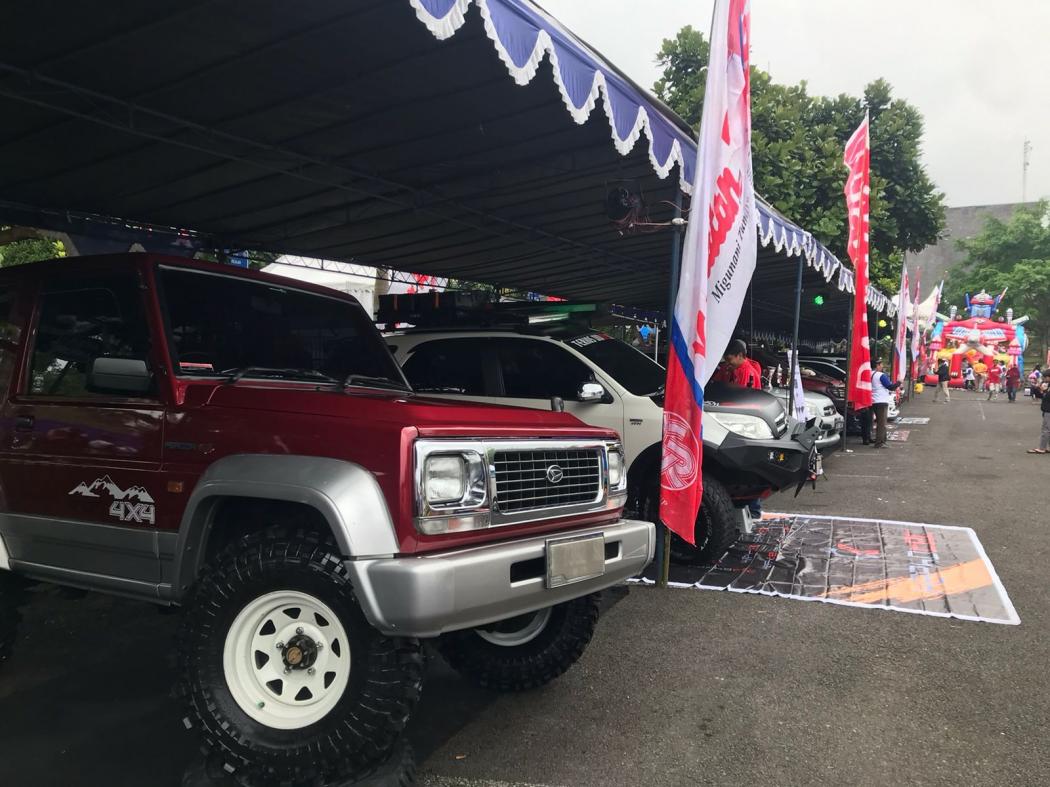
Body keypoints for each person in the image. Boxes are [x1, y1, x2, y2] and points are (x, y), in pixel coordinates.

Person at [870, 358, 902, 448]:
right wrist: (899, 382)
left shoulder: (869, 373)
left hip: (872, 400)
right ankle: (879, 442)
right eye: (881, 364)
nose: (882, 366)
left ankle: (882, 441)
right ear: (877, 366)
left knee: (877, 422)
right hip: (881, 401)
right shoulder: (881, 375)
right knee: (882, 423)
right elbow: (890, 387)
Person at [1028, 378, 1050, 454]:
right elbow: (1042, 396)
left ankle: (1042, 448)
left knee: (1046, 429)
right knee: (1047, 429)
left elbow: (1046, 396)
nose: (1045, 379)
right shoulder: (1048, 385)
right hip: (1046, 409)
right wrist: (1037, 389)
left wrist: (1044, 391)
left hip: (1048, 410)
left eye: (1046, 377)